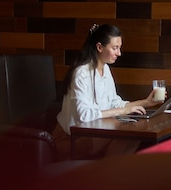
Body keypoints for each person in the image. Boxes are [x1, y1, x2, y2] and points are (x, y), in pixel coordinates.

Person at [52, 23, 163, 161]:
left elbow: (114, 103)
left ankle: (109, 174)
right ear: (99, 47)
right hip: (70, 139)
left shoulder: (105, 69)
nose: (119, 53)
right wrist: (122, 111)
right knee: (127, 136)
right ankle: (108, 174)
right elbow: (84, 116)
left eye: (119, 48)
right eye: (115, 48)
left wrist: (147, 102)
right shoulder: (82, 74)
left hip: (92, 134)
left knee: (131, 137)